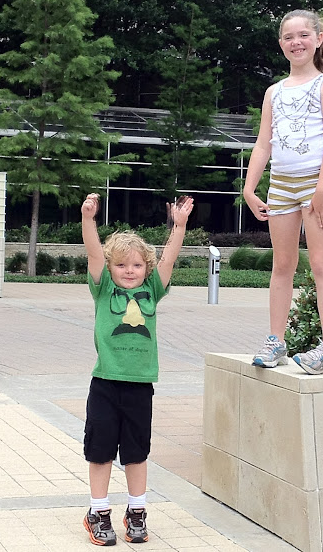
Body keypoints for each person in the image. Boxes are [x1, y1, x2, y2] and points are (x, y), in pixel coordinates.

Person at [243, 9, 323, 375]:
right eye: (289, 37)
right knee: (282, 265)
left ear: (318, 39)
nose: (296, 42)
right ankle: (276, 341)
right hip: (281, 185)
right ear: (281, 44)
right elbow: (263, 143)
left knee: (322, 264)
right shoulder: (274, 92)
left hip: (316, 184)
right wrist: (249, 188)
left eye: (303, 35)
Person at [81, 193, 194, 546]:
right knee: (100, 452)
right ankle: (98, 512)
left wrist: (179, 227)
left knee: (136, 452)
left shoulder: (152, 289)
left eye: (136, 265)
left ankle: (137, 511)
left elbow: (169, 259)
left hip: (140, 387)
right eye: (121, 265)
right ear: (110, 269)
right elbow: (94, 253)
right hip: (105, 384)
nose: (129, 271)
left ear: (146, 268)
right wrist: (88, 220)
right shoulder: (103, 289)